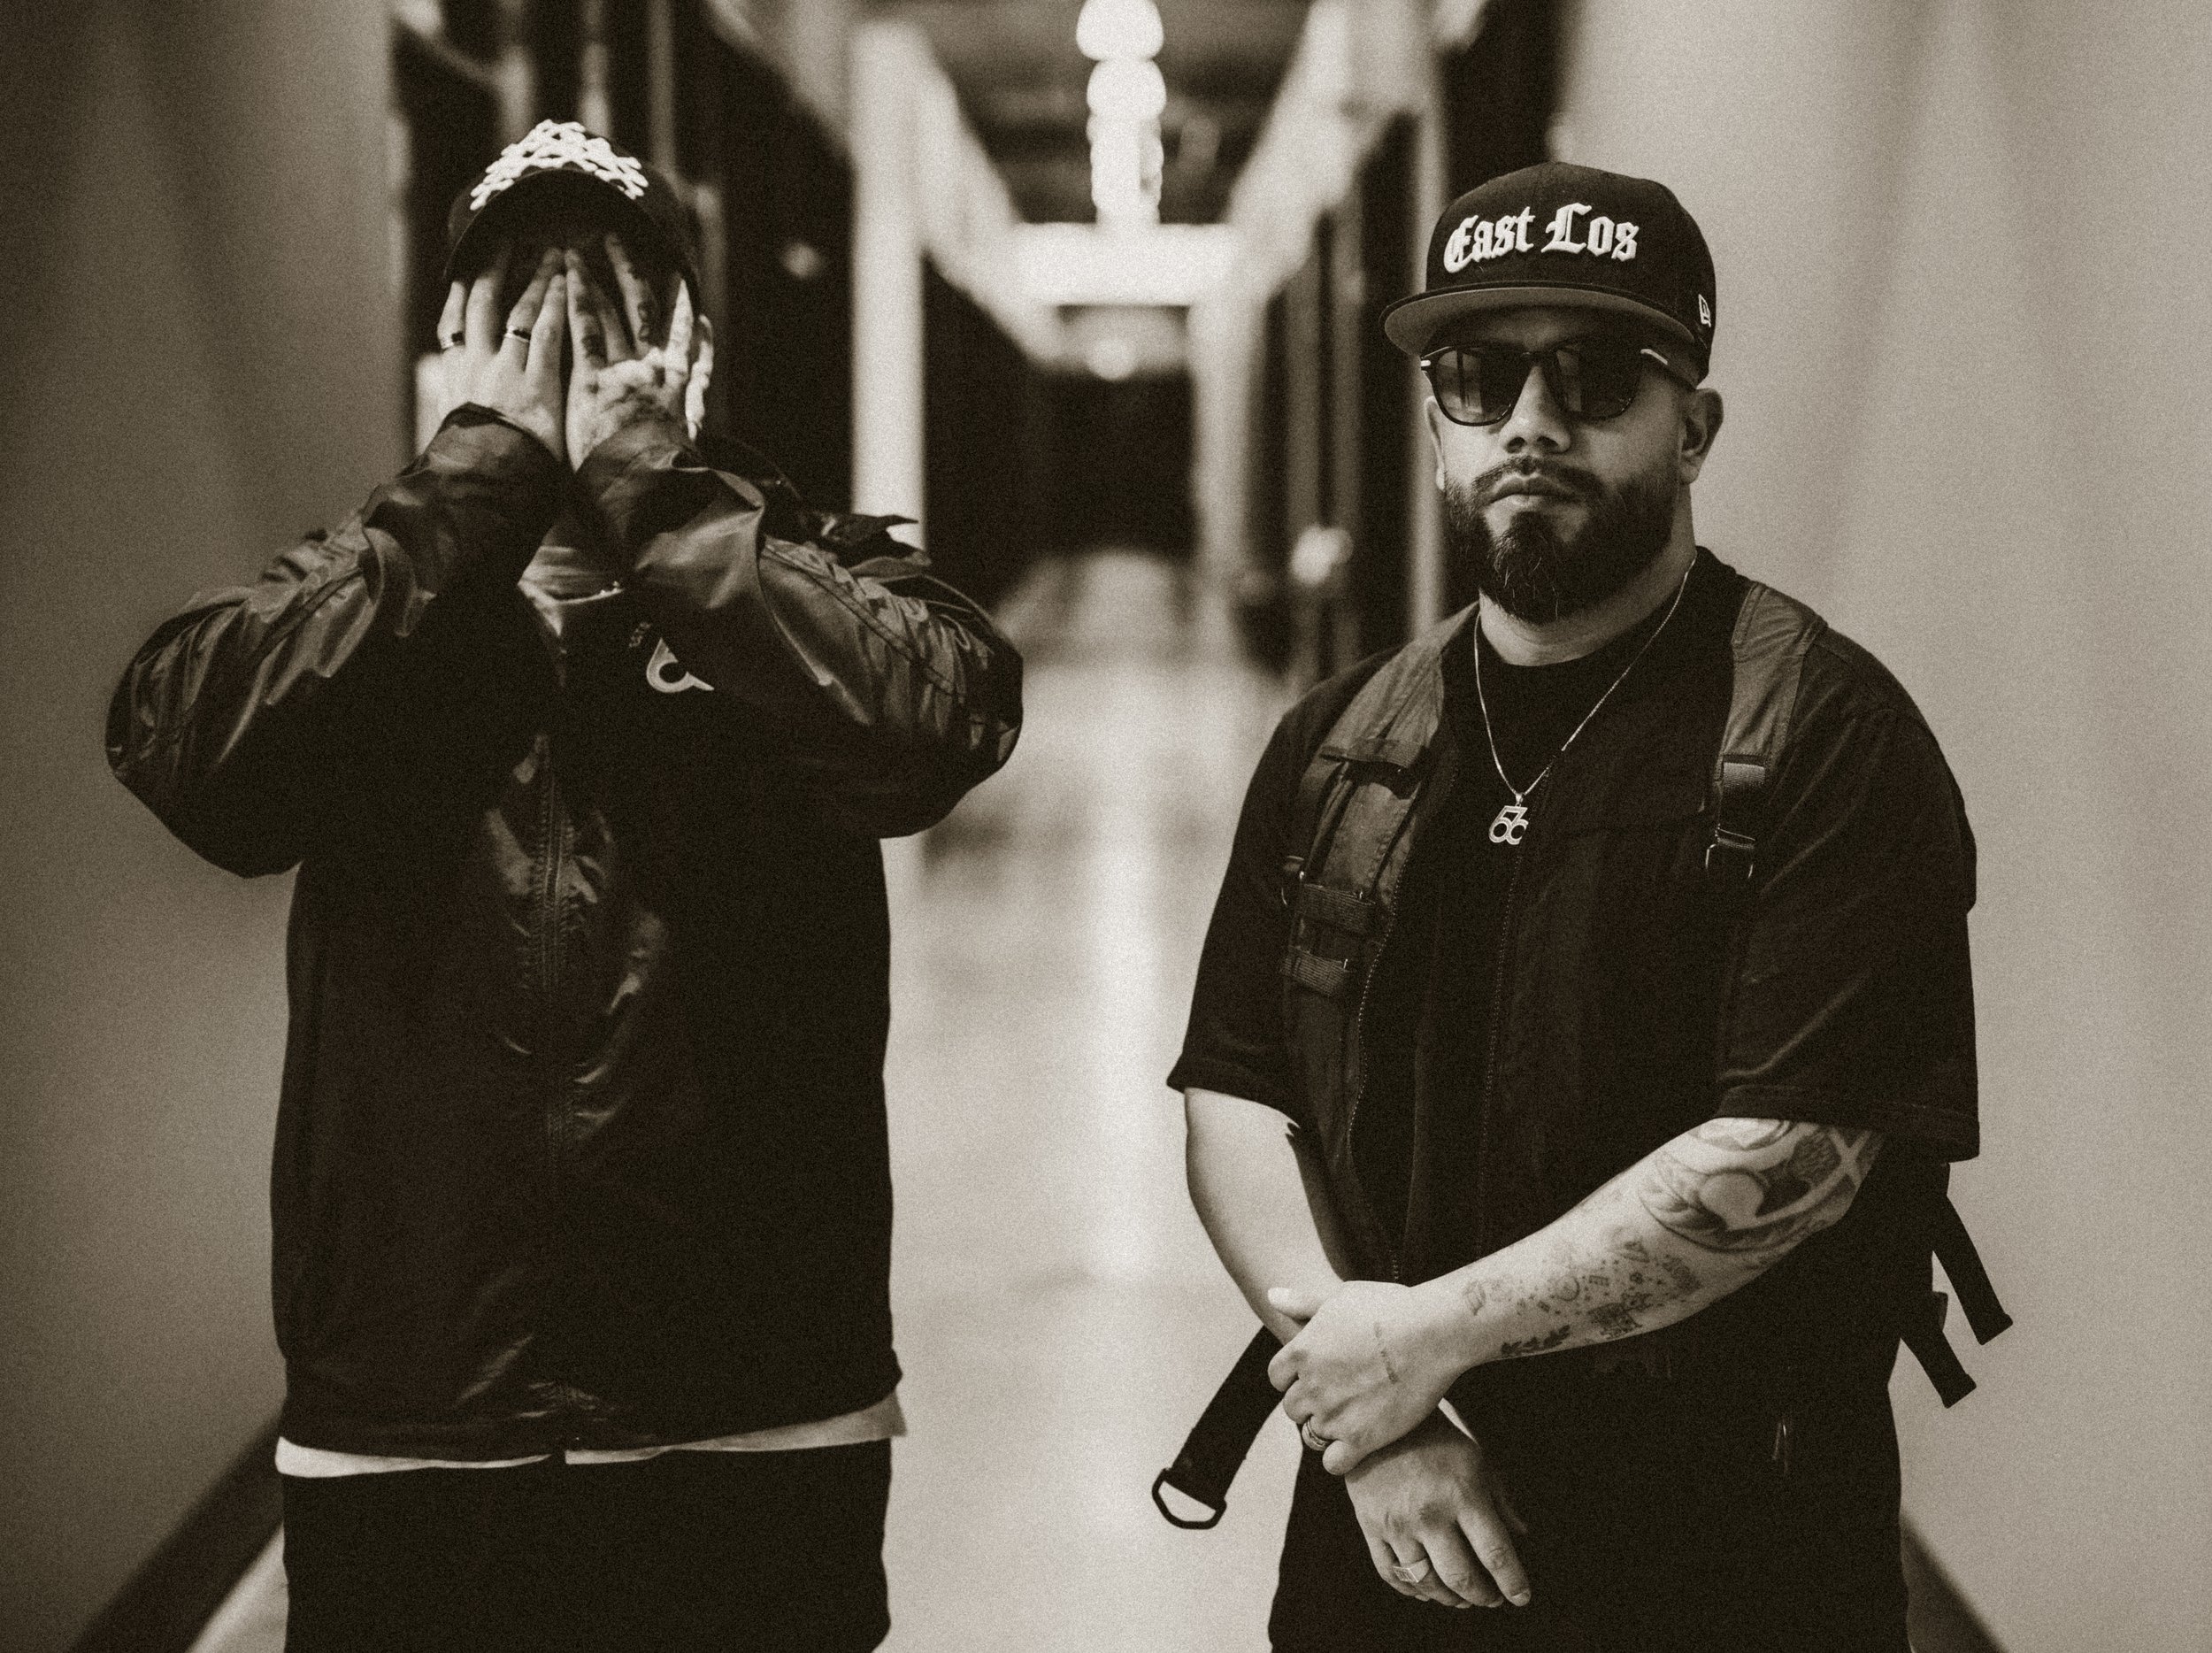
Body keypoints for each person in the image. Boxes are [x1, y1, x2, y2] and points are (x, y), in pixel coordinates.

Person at [107, 120, 1021, 1653]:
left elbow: (930, 727)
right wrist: (476, 482)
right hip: (412, 1414)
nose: (563, 353)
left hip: (752, 1409)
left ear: (693, 356)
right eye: (519, 313)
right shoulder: (369, 596)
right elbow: (195, 754)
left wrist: (660, 498)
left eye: (607, 311)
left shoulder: (807, 573)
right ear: (446, 361)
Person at [1172, 160, 1981, 1652]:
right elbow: (1236, 1094)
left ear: (1696, 431)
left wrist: (1418, 1344)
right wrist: (1378, 1420)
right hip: (1390, 1538)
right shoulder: (1344, 744)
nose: (1532, 423)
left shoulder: (1823, 736)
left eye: (1598, 374)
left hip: (1729, 1556)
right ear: (1436, 428)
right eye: (1481, 378)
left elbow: (1796, 1147)